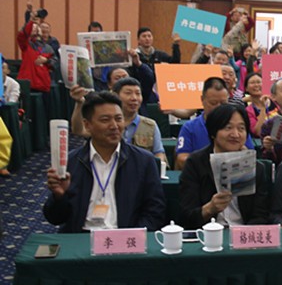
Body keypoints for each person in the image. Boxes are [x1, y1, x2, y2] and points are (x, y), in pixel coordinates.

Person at [43, 91, 166, 232]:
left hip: (126, 237)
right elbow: (55, 218)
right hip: (82, 236)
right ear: (87, 125)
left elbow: (155, 211)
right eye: (105, 120)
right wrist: (59, 197)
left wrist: (134, 235)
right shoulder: (72, 161)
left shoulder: (143, 161)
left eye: (118, 119)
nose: (114, 126)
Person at [179, 104, 269, 229]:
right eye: (228, 128)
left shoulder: (256, 167)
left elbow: (261, 216)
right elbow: (185, 216)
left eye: (241, 128)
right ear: (213, 132)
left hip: (243, 234)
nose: (235, 134)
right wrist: (209, 208)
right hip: (208, 233)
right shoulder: (195, 163)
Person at [70, 77, 167, 164]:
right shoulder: (105, 124)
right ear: (115, 95)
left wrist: (157, 167)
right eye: (128, 93)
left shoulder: (150, 125)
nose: (134, 98)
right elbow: (78, 130)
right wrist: (79, 103)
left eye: (138, 94)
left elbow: (159, 153)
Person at [175, 77, 254, 170]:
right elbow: (182, 159)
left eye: (223, 103)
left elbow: (250, 155)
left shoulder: (237, 127)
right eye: (213, 103)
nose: (218, 107)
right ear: (202, 100)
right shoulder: (190, 127)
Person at [16, 8, 53, 94]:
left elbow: (56, 63)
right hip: (28, 85)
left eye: (37, 27)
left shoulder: (48, 47)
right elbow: (22, 35)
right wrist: (31, 21)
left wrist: (46, 60)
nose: (35, 29)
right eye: (32, 27)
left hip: (43, 85)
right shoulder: (26, 44)